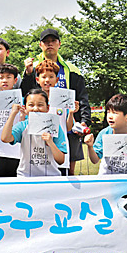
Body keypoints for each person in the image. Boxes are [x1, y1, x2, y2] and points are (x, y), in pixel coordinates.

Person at [21, 28, 91, 176]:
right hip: (36, 131)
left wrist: (83, 119)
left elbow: (82, 96)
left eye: (53, 41)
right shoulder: (32, 67)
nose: (50, 44)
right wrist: (27, 73)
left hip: (64, 124)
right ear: (40, 45)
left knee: (67, 168)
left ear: (59, 44)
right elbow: (24, 94)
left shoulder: (72, 69)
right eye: (46, 42)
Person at [1, 89, 67, 177]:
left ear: (47, 108)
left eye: (40, 105)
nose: (35, 109)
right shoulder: (22, 126)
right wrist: (13, 114)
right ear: (25, 108)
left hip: (51, 176)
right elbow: (5, 138)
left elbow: (61, 160)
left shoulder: (55, 127)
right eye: (31, 105)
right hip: (25, 176)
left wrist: (51, 143)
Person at [83, 94, 127, 175]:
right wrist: (90, 146)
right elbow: (95, 160)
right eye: (108, 112)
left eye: (115, 113)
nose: (110, 116)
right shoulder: (104, 134)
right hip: (107, 180)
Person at [35, 59, 80, 175]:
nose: (47, 80)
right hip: (37, 153)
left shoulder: (64, 98)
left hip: (59, 151)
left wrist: (71, 113)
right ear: (37, 80)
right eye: (44, 77)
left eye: (51, 77)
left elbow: (69, 128)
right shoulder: (32, 100)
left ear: (57, 79)